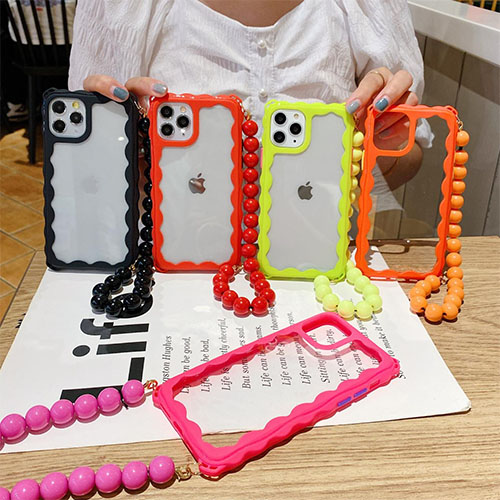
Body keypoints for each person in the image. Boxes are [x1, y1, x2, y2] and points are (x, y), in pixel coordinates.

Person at [68, 0, 432, 190]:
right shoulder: (120, 7)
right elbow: (84, 175)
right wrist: (119, 151)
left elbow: (408, 160)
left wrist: (379, 148)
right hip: (164, 269)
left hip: (322, 266)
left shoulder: (368, 7)